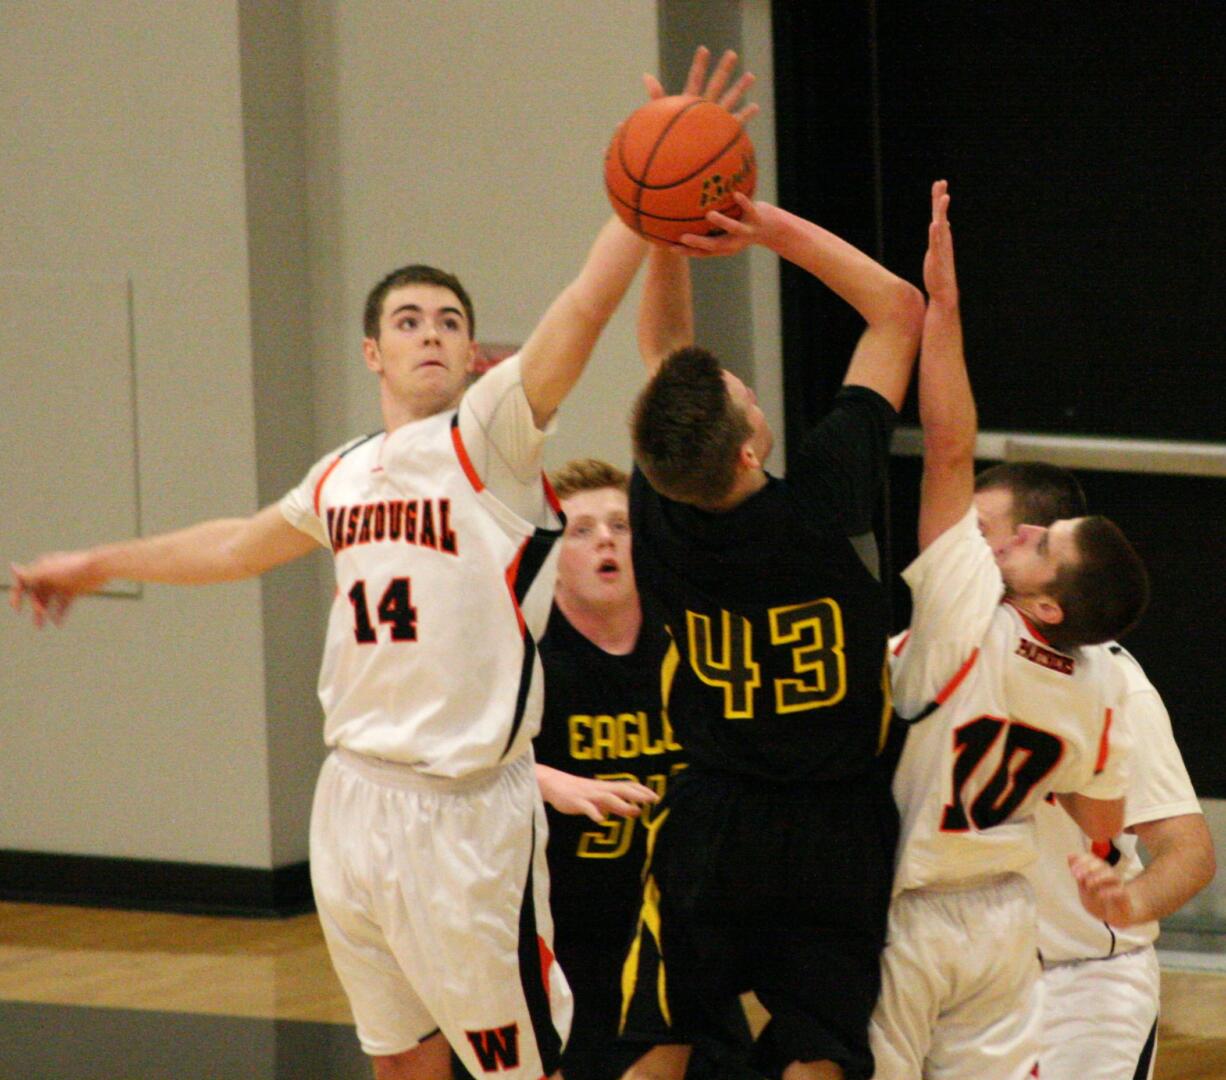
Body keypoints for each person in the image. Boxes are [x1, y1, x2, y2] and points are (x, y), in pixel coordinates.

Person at [10, 203, 649, 1077]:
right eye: (408, 320)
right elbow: (237, 545)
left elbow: (583, 306)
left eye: (451, 322)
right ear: (373, 353)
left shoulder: (491, 439)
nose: (431, 334)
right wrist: (95, 562)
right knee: (397, 1060)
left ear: (475, 357)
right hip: (352, 799)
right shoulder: (343, 472)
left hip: (463, 817)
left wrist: (638, 214)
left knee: (518, 1070)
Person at [617, 97, 926, 1077]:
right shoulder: (826, 498)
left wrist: (664, 232)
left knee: (661, 1038)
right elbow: (897, 311)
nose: (750, 389)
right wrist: (762, 224)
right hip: (834, 824)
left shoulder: (657, 508)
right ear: (750, 444)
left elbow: (665, 360)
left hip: (712, 817)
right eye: (745, 394)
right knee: (816, 1050)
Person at [868, 182, 1150, 1080]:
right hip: (1002, 923)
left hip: (910, 910)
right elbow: (1103, 818)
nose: (1021, 531)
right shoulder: (1100, 683)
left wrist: (943, 312)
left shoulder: (966, 617)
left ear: (1046, 606)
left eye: (1041, 544)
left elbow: (950, 445)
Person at [974, 461, 1216, 1080]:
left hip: (1079, 983)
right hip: (965, 977)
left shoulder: (1114, 685)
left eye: (983, 531)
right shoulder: (945, 653)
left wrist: (1127, 902)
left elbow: (1188, 850)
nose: (970, 545)